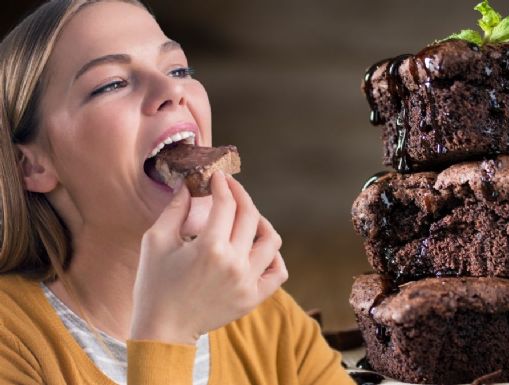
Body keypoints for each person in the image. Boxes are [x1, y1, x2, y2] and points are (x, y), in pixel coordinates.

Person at [0, 1, 355, 384]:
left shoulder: (270, 325)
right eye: (112, 84)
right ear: (31, 165)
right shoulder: (13, 344)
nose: (172, 90)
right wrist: (166, 333)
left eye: (179, 69)